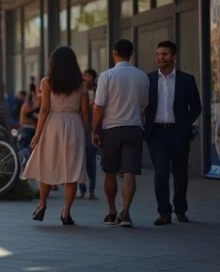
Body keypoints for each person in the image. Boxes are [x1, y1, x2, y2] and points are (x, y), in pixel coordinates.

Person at [21, 47, 89, 225]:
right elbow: (84, 111)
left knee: (47, 166)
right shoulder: (81, 83)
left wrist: (37, 135)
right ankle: (66, 213)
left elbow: (44, 110)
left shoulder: (47, 82)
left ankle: (42, 204)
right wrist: (88, 131)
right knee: (72, 172)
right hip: (74, 124)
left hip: (53, 124)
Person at [92, 39, 148, 228]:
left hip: (110, 129)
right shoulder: (142, 77)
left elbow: (98, 106)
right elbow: (143, 104)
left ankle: (111, 211)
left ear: (114, 53)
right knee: (129, 172)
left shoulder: (106, 76)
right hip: (134, 128)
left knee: (109, 172)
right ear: (131, 53)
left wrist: (95, 130)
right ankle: (126, 213)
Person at [145, 41, 202, 226]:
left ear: (174, 57)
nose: (160, 58)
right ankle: (164, 212)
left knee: (180, 174)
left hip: (179, 133)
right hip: (157, 134)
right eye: (158, 54)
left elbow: (196, 107)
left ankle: (180, 209)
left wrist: (184, 124)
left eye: (164, 54)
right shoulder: (149, 79)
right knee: (161, 172)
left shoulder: (187, 80)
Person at [81, 69, 99, 200]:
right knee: (80, 161)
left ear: (93, 77)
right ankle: (81, 190)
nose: (85, 78)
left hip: (93, 129)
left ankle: (91, 190)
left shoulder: (99, 91)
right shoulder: (80, 91)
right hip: (81, 129)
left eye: (87, 76)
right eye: (84, 76)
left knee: (91, 161)